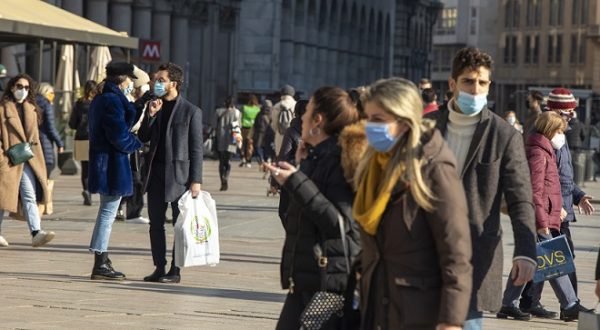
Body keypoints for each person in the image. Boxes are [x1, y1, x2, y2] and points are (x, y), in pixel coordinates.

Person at [426, 47, 537, 329]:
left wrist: (525, 251)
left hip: (474, 257)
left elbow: (521, 198)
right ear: (452, 84)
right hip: (423, 251)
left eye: (482, 82)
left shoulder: (504, 135)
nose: (475, 89)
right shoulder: (425, 129)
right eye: (468, 81)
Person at [351, 77, 472, 329]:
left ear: (404, 123)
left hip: (417, 314)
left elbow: (456, 252)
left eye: (378, 119)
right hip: (376, 308)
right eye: (367, 117)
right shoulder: (375, 164)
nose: (368, 126)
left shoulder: (434, 168)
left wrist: (451, 320)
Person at [265, 87, 361, 330]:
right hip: (308, 278)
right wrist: (301, 165)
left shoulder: (341, 160)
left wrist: (296, 182)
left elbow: (339, 222)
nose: (302, 116)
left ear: (317, 119)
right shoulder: (317, 156)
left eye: (307, 111)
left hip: (327, 280)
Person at [497, 111, 584, 321]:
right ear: (550, 130)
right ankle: (570, 304)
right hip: (539, 217)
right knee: (555, 260)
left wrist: (558, 208)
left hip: (544, 215)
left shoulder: (544, 151)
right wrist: (542, 222)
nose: (561, 136)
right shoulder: (538, 153)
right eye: (559, 131)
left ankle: (508, 304)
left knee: (531, 259)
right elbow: (534, 192)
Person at [519, 88, 595, 320]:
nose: (572, 116)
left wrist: (579, 195)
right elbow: (540, 184)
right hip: (552, 210)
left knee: (545, 257)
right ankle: (569, 306)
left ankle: (527, 301)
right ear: (556, 112)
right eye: (568, 112)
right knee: (562, 257)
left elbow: (565, 178)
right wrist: (556, 207)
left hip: (559, 209)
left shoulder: (558, 136)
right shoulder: (547, 140)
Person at [138, 62, 203, 284]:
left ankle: (175, 270)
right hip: (155, 174)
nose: (156, 83)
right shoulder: (154, 106)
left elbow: (196, 149)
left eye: (161, 80)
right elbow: (144, 137)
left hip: (180, 177)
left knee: (179, 226)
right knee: (155, 224)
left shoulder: (191, 111)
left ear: (173, 84)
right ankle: (159, 267)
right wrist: (150, 115)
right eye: (155, 80)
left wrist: (196, 180)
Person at [87, 62, 142, 280]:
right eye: (130, 79)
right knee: (108, 214)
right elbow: (119, 135)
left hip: (106, 163)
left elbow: (122, 123)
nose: (131, 84)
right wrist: (137, 143)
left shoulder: (105, 97)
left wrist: (141, 104)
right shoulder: (111, 100)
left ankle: (102, 258)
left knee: (106, 213)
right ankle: (100, 262)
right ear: (122, 79)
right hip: (111, 166)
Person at [0, 74, 55, 248]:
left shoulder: (32, 108)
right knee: (2, 199)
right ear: (11, 87)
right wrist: (2, 158)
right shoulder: (3, 108)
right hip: (8, 159)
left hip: (27, 158)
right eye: (19, 86)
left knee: (29, 195)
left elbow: (36, 137)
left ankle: (36, 233)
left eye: (26, 88)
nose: (22, 90)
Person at [115, 65, 151, 224]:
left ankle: (125, 209)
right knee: (134, 179)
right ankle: (132, 212)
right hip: (129, 143)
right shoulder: (128, 100)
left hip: (136, 144)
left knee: (136, 178)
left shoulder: (135, 101)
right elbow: (132, 123)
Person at [275, 100, 307, 218]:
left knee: (284, 211)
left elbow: (284, 155)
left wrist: (275, 180)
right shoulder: (318, 130)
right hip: (310, 178)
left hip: (291, 176)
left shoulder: (292, 130)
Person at [69, 80, 97, 206]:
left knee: (84, 167)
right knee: (94, 165)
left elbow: (72, 123)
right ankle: (91, 188)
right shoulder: (97, 103)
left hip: (80, 137)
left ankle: (86, 190)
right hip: (94, 138)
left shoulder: (78, 104)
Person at [36, 83, 64, 178]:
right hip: (45, 141)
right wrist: (59, 143)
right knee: (46, 173)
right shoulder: (46, 104)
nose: (53, 95)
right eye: (51, 93)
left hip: (32, 141)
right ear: (45, 92)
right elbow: (50, 128)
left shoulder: (31, 102)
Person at [213, 97, 241, 191]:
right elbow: (238, 127)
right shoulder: (237, 113)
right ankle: (226, 177)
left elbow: (214, 125)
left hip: (220, 139)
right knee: (228, 161)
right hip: (231, 140)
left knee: (221, 161)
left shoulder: (218, 112)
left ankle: (222, 180)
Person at [271, 84, 297, 157]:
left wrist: (278, 130)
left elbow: (274, 125)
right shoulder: (296, 105)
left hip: (280, 135)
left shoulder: (276, 106)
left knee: (280, 157)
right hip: (294, 136)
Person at [239, 94, 261, 167]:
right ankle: (248, 160)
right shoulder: (258, 109)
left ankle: (243, 158)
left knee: (242, 143)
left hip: (244, 127)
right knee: (250, 145)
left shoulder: (244, 108)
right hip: (253, 128)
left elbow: (241, 117)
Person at [253, 99, 275, 167]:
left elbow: (255, 124)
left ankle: (262, 160)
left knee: (258, 147)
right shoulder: (273, 113)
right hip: (270, 134)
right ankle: (267, 161)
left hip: (260, 133)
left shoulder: (259, 114)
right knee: (267, 148)